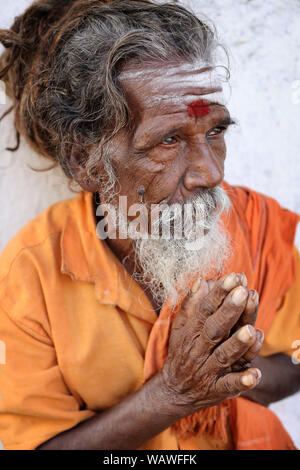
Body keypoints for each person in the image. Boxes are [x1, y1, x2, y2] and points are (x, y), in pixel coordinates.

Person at [0, 0, 299, 451]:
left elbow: (294, 357)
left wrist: (227, 359)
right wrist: (173, 393)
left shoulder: (252, 220)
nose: (211, 174)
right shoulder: (31, 274)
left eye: (215, 131)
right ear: (87, 162)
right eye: (170, 139)